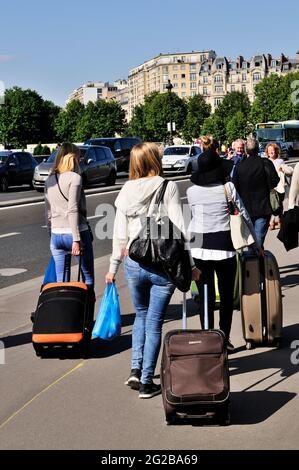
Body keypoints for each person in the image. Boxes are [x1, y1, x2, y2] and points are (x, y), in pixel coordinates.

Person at [105, 142, 200, 399]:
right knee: (154, 322)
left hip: (134, 263)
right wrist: (190, 267)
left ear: (135, 163)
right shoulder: (167, 186)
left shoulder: (126, 189)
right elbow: (180, 230)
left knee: (140, 315)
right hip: (163, 264)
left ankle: (135, 369)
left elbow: (119, 235)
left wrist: (113, 267)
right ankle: (147, 381)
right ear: (155, 160)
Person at [187, 136, 258, 352]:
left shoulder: (191, 191)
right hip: (224, 248)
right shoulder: (228, 188)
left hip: (198, 248)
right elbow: (244, 213)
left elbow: (193, 216)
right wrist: (255, 242)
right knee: (227, 297)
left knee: (205, 297)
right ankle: (223, 337)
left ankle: (207, 338)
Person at [44, 143, 95, 329]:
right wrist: (76, 238)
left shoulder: (49, 180)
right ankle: (86, 320)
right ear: (73, 157)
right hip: (77, 233)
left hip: (56, 236)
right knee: (87, 278)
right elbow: (73, 209)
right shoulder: (75, 177)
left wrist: (52, 234)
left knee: (61, 283)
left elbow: (47, 212)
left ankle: (64, 321)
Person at [233, 138, 279, 248]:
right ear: (258, 149)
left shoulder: (239, 167)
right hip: (263, 207)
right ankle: (255, 261)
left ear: (245, 150)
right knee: (258, 241)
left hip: (245, 209)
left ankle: (254, 261)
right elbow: (275, 181)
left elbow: (235, 188)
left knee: (251, 240)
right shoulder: (266, 163)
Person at [265, 143, 293, 230]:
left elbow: (287, 172)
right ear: (267, 152)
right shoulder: (265, 161)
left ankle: (280, 219)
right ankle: (272, 221)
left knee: (279, 204)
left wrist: (282, 169)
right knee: (272, 204)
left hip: (280, 186)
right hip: (270, 187)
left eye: (273, 150)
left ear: (276, 151)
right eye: (269, 150)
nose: (271, 152)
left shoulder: (280, 161)